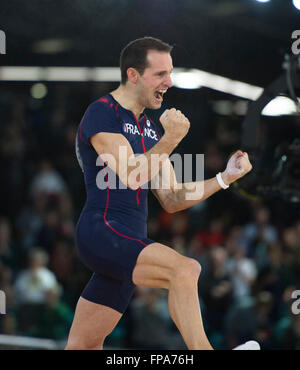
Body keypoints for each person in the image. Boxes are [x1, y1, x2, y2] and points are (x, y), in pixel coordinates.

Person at [66, 37, 259, 350]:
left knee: (83, 346)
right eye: (160, 74)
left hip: (128, 243)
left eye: (170, 73)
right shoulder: (103, 113)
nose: (169, 82)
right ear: (133, 75)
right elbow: (129, 175)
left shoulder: (151, 129)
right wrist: (171, 139)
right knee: (185, 269)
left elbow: (172, 198)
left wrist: (225, 178)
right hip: (103, 233)